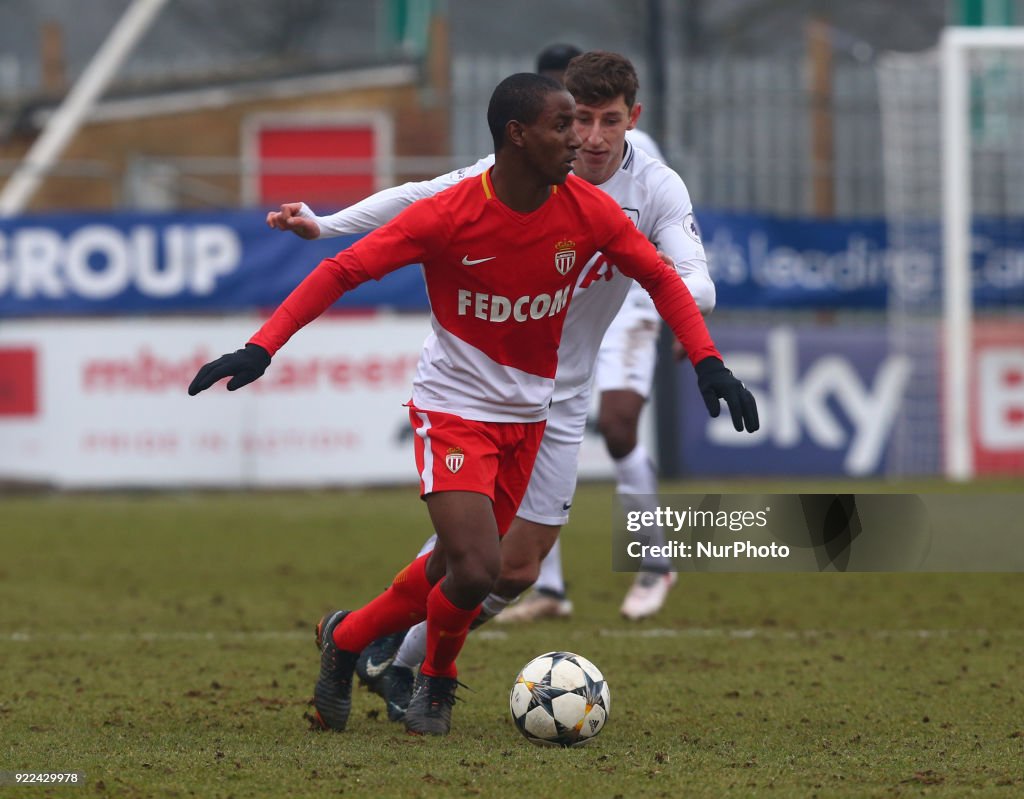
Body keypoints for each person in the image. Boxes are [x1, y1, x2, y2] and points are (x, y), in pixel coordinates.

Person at [195, 72, 756, 738]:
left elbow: (664, 278)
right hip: (455, 406)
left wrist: (708, 361)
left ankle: (347, 637)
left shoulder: (591, 209)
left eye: (590, 123)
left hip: (535, 413)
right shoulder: (451, 211)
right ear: (518, 137)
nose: (578, 140)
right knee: (476, 565)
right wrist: (262, 347)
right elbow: (345, 269)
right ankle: (434, 679)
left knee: (477, 567)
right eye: (563, 125)